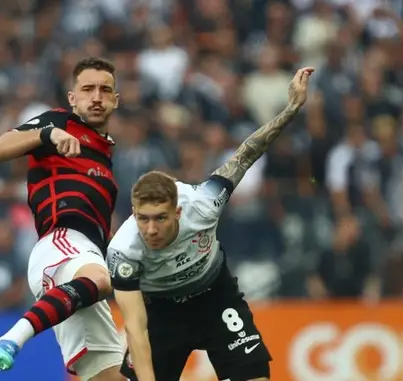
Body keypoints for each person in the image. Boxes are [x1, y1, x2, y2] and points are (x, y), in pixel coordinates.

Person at [107, 67, 314, 381]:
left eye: (160, 218)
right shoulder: (123, 251)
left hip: (215, 298)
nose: (150, 229)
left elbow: (248, 152)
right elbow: (136, 328)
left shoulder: (203, 202)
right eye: (142, 219)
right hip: (161, 314)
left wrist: (291, 108)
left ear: (177, 212)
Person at [0, 57, 124, 381]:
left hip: (83, 266)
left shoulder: (106, 159)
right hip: (61, 243)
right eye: (87, 89)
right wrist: (47, 134)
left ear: (115, 100)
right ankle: (12, 339)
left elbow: (100, 230)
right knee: (101, 280)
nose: (96, 97)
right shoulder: (59, 123)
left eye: (104, 90)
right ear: (72, 98)